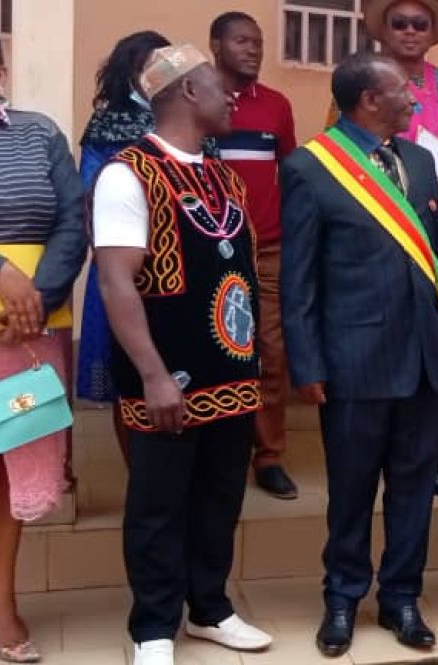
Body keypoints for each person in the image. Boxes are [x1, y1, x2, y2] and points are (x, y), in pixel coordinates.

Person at [93, 44, 272, 665]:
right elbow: (116, 284)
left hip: (231, 372)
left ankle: (210, 610)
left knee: (219, 497)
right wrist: (152, 374)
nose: (231, 97)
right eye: (219, 86)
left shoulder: (220, 175)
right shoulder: (127, 172)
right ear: (189, 93)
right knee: (159, 504)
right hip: (166, 376)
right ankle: (152, 628)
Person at [281, 52, 438, 656]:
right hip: (353, 361)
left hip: (422, 359)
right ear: (368, 101)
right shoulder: (311, 167)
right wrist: (305, 363)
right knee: (352, 490)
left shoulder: (417, 159)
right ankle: (341, 598)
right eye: (401, 91)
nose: (414, 98)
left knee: (414, 489)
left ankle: (402, 600)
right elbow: (298, 278)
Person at [345, 0, 438, 500]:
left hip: (437, 232)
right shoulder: (360, 81)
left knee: (437, 339)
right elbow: (337, 148)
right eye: (398, 23)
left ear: (430, 34)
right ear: (383, 31)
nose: (408, 31)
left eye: (417, 24)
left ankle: (429, 459)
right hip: (375, 231)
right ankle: (373, 455)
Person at [0, 27, 86, 663]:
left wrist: (38, 298)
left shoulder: (39, 131)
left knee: (11, 461)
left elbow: (73, 219)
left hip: (29, 338)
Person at [209, 11, 299, 500]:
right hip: (209, 253)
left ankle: (268, 457)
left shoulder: (277, 106)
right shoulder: (198, 100)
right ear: (216, 45)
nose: (253, 49)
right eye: (242, 40)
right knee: (218, 352)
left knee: (270, 352)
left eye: (258, 42)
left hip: (266, 249)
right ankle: (221, 452)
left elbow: (291, 175)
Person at [77, 30, 171, 464]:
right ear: (127, 72)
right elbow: (90, 194)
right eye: (144, 66)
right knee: (125, 376)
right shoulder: (105, 125)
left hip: (180, 262)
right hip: (121, 262)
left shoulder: (186, 118)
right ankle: (137, 470)